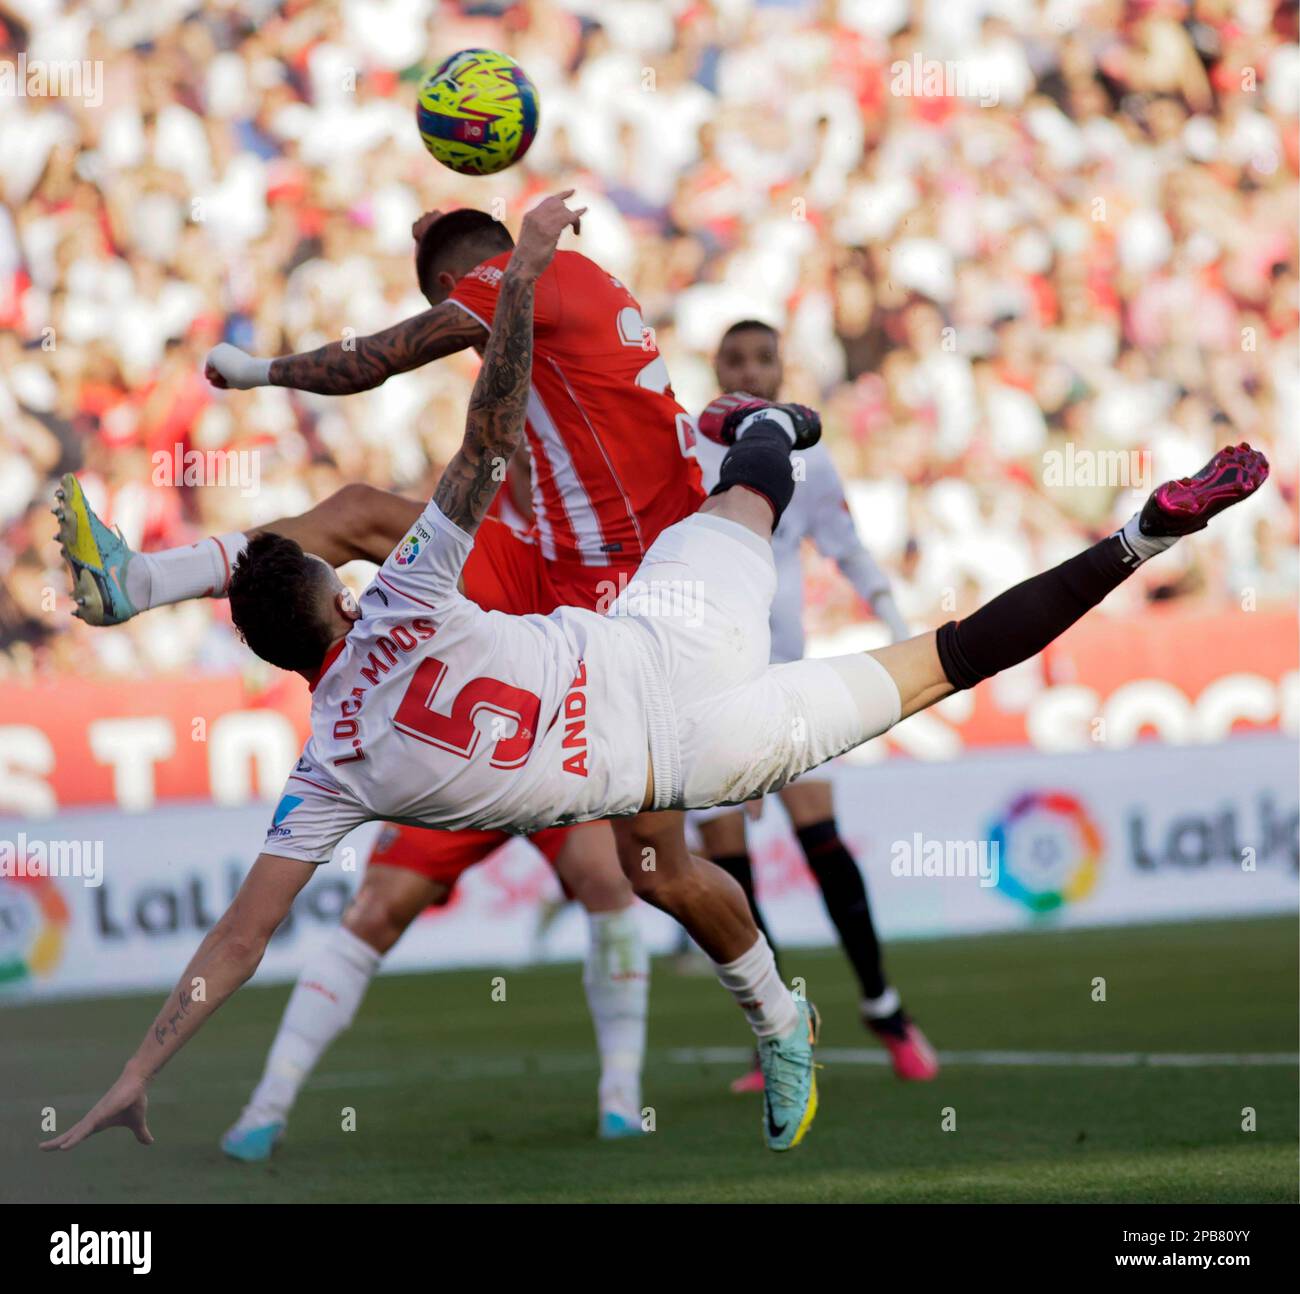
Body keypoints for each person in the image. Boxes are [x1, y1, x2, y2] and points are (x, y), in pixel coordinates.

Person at [43, 193, 1269, 1160]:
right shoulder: (411, 592)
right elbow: (483, 424)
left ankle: (783, 1021)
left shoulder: (327, 767)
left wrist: (139, 1069)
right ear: (340, 604)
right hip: (660, 612)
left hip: (654, 681)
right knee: (688, 775)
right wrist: (517, 268)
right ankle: (834, 458)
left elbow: (243, 934)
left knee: (873, 706)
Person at [692, 320, 937, 1093]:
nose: (752, 371)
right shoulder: (687, 450)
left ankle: (883, 1005)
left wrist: (892, 612)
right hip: (707, 686)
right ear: (717, 370)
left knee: (821, 840)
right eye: (736, 360)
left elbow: (844, 543)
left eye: (764, 358)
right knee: (727, 870)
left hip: (790, 680)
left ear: (782, 366)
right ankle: (775, 1034)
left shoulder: (811, 455)